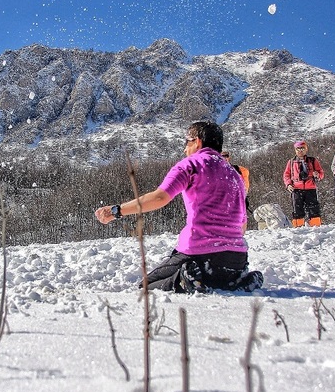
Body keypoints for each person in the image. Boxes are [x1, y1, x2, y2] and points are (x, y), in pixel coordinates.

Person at [94, 121, 263, 293]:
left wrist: (116, 211)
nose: (185, 149)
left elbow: (159, 198)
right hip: (237, 260)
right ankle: (241, 281)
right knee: (222, 281)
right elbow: (242, 226)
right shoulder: (236, 176)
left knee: (147, 285)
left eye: (187, 142)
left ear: (197, 141)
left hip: (199, 255)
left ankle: (183, 280)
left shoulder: (191, 165)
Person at [283, 140, 324, 227]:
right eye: (298, 149)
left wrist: (318, 175)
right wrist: (288, 184)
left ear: (306, 149)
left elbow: (321, 173)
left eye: (302, 148)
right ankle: (298, 228)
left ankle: (316, 227)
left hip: (310, 188)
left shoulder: (312, 160)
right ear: (295, 150)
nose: (300, 151)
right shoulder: (291, 162)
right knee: (297, 210)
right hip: (296, 189)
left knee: (314, 209)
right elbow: (286, 175)